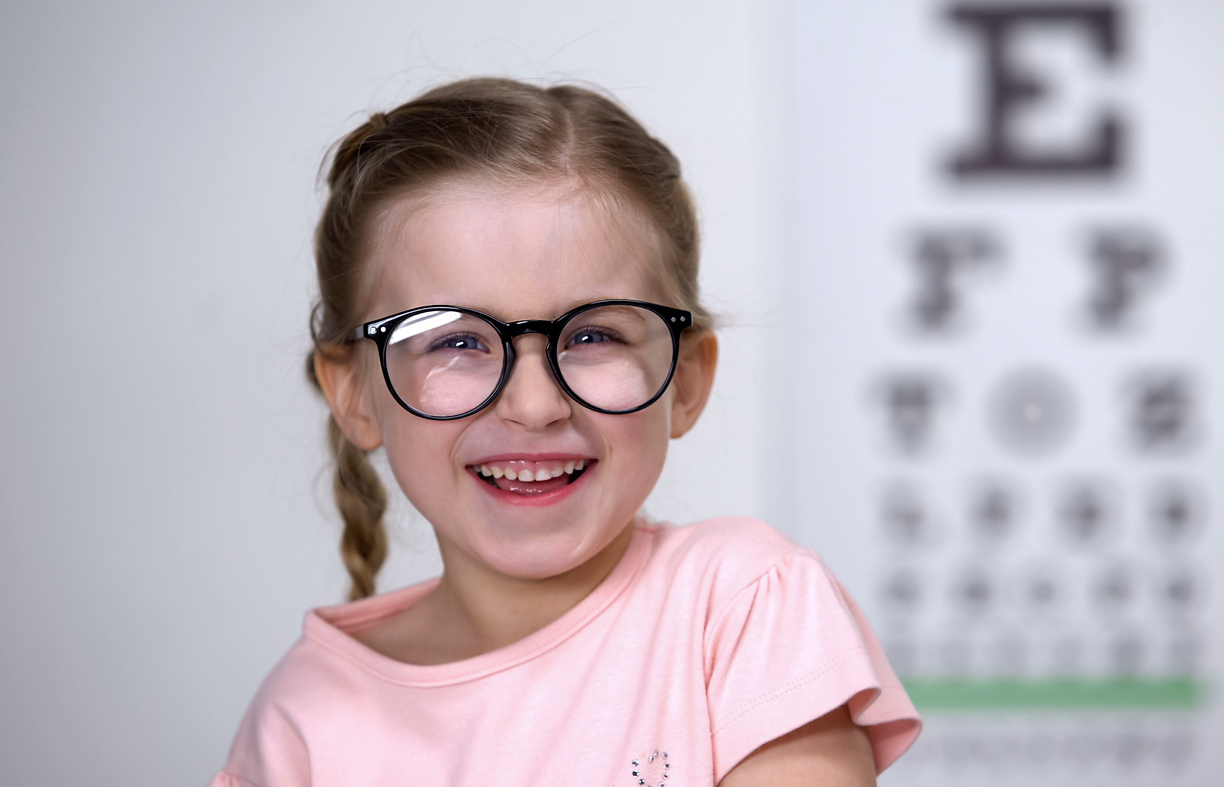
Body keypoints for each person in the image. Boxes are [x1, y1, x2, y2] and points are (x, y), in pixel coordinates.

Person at [211, 77, 920, 787]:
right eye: (456, 342)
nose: (534, 403)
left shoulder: (742, 609)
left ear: (688, 379)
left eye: (593, 333)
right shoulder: (301, 721)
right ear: (356, 393)